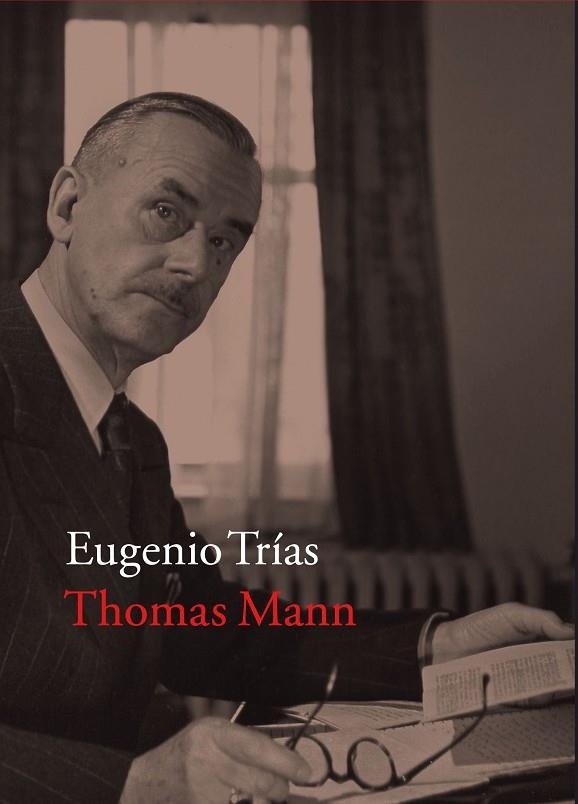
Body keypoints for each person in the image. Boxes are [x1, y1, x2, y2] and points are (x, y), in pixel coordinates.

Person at [0, 93, 573, 804]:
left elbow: (212, 632)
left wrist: (435, 646)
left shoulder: (132, 439)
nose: (195, 265)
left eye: (224, 242)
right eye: (166, 211)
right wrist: (132, 783)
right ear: (66, 206)